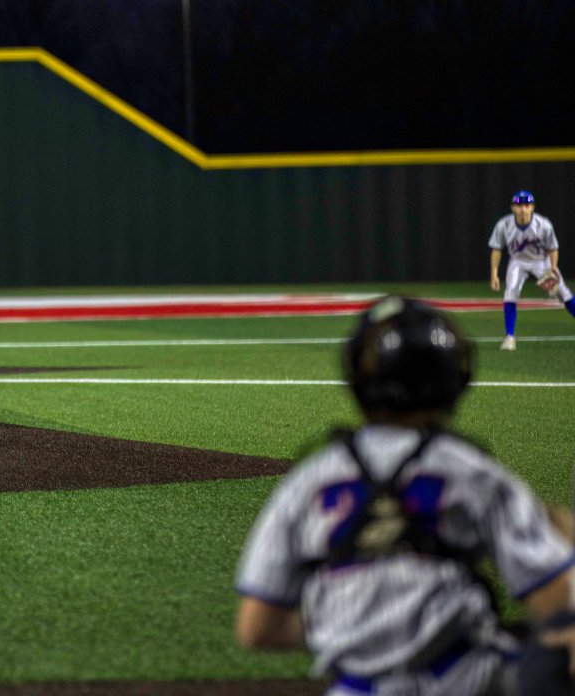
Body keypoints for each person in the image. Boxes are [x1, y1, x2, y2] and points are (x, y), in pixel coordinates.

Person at [234, 295, 575, 694]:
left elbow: (258, 628)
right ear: (452, 379)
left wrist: (359, 624)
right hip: (468, 681)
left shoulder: (307, 480)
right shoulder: (471, 471)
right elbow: (555, 595)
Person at [489, 189, 575, 351]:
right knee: (510, 293)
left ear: (532, 207)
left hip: (541, 261)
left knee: (564, 293)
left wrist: (553, 268)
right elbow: (496, 249)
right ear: (513, 208)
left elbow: (553, 248)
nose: (523, 209)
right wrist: (494, 273)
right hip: (518, 261)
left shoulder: (543, 224)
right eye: (519, 205)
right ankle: (509, 337)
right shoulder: (504, 224)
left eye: (527, 205)